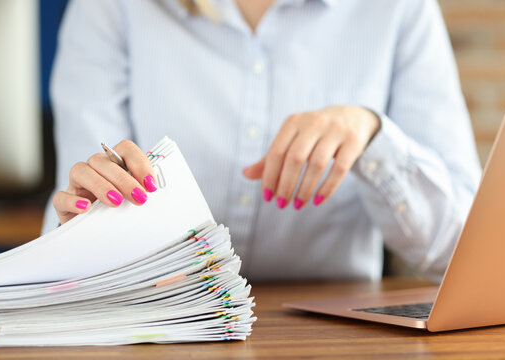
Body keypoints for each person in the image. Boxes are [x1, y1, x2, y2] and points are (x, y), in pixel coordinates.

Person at [43, 0, 481, 283]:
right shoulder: (111, 8)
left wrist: (374, 137)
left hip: (333, 339)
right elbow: (77, 207)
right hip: (159, 330)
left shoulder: (398, 10)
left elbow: (465, 252)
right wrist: (86, 221)